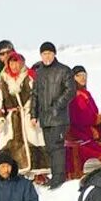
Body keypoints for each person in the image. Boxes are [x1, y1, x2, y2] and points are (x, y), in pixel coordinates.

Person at [0, 52, 49, 178]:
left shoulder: (30, 76)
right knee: (10, 143)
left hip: (29, 115)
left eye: (16, 62)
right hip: (11, 118)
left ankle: (38, 173)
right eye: (11, 62)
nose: (14, 65)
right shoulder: (3, 79)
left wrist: (36, 113)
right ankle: (14, 172)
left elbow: (40, 97)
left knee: (34, 139)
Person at [31, 42, 76, 189]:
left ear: (54, 54)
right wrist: (33, 114)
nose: (47, 56)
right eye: (44, 54)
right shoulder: (39, 72)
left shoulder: (64, 70)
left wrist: (57, 106)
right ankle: (54, 175)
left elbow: (70, 91)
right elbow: (35, 95)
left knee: (57, 147)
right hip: (45, 118)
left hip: (59, 117)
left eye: (49, 53)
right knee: (49, 147)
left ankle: (59, 177)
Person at [67, 66, 101, 179]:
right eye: (79, 75)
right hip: (80, 135)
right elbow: (82, 117)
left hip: (89, 133)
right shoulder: (74, 95)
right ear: (72, 78)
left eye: (84, 75)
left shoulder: (85, 93)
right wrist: (100, 119)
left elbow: (92, 114)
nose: (82, 78)